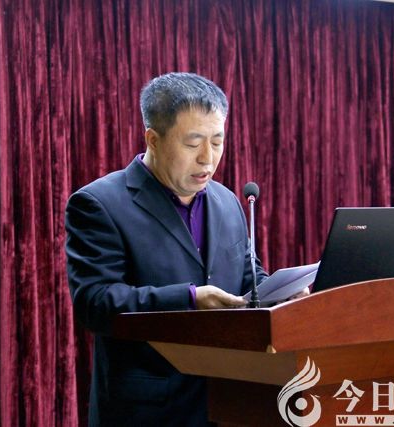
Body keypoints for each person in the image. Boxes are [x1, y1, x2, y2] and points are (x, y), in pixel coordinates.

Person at [65, 72, 268, 426]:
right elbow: (95, 304)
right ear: (153, 140)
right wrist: (189, 299)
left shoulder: (227, 201)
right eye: (193, 144)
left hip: (230, 400)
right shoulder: (100, 204)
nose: (207, 159)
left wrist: (284, 292)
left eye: (217, 142)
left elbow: (248, 277)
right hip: (147, 410)